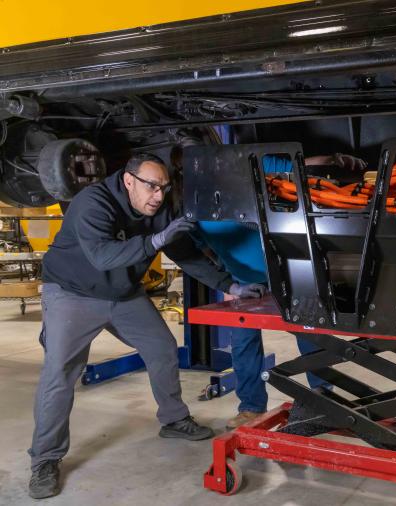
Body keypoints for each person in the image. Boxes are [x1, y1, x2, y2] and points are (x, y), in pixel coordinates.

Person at [28, 153, 263, 499]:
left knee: (162, 348)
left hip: (123, 294)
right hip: (72, 293)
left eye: (164, 188)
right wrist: (155, 241)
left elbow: (185, 254)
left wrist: (231, 286)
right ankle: (44, 460)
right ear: (128, 180)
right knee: (60, 372)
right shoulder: (93, 202)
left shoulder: (159, 209)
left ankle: (173, 420)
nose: (158, 195)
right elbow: (103, 256)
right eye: (152, 186)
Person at [193, 152, 367, 430]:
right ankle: (251, 408)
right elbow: (199, 252)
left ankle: (322, 396)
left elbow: (303, 164)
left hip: (287, 269)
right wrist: (226, 283)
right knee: (243, 340)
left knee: (310, 331)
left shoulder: (253, 165)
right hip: (244, 278)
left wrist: (333, 159)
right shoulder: (195, 207)